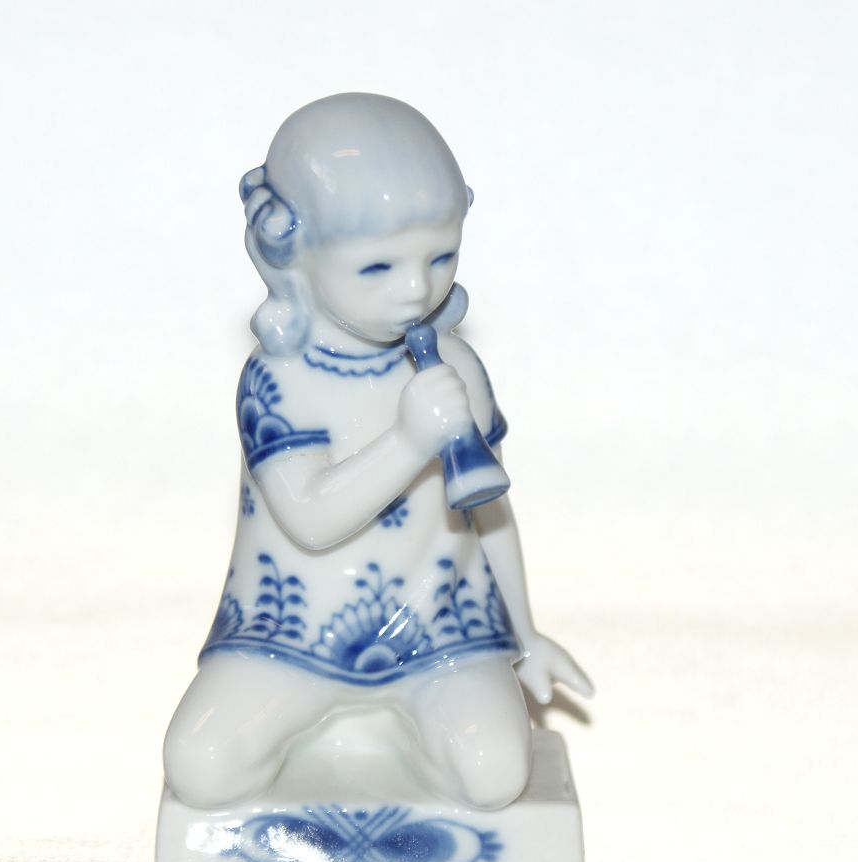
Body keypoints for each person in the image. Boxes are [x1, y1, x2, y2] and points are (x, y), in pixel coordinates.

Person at [163, 93, 591, 812]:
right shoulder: (278, 379)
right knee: (201, 769)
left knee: (493, 777)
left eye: (441, 257)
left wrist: (527, 633)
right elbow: (311, 519)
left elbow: (489, 513)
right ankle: (340, 734)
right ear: (294, 255)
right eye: (377, 268)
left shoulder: (455, 369)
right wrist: (409, 440)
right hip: (293, 631)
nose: (417, 288)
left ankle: (404, 729)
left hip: (440, 628)